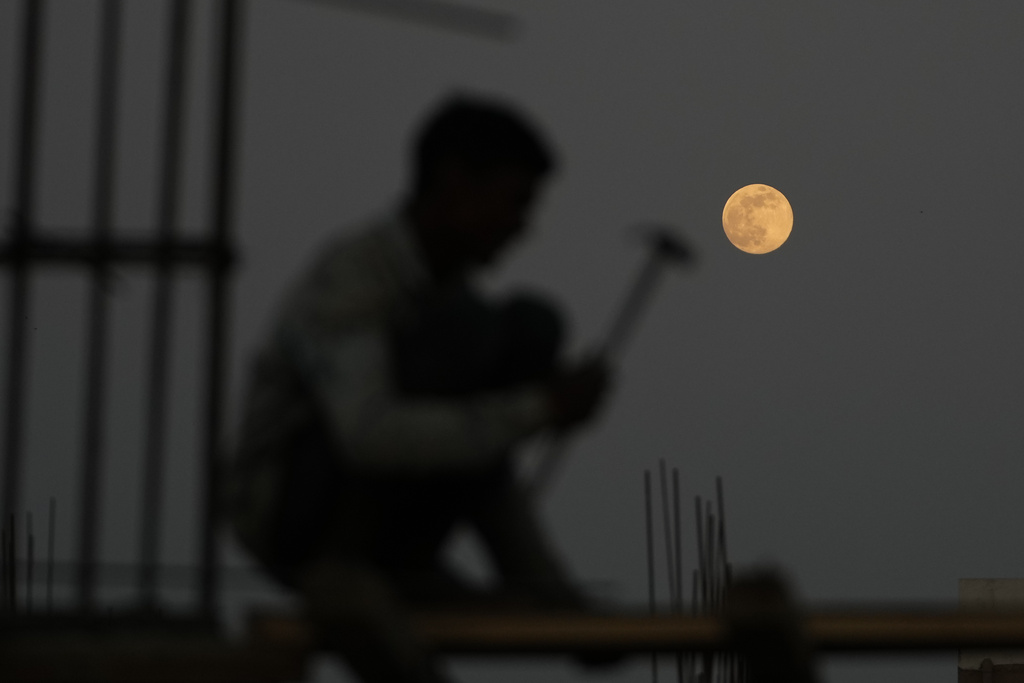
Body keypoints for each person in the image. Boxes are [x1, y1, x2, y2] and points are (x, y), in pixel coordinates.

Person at [225, 94, 610, 683]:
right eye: (513, 202)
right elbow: (368, 435)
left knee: (525, 332)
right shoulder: (354, 279)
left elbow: (485, 467)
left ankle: (401, 573)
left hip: (385, 531)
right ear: (454, 183)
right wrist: (537, 408)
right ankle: (344, 569)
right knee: (489, 340)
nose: (519, 227)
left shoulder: (451, 301)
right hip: (295, 515)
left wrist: (551, 596)